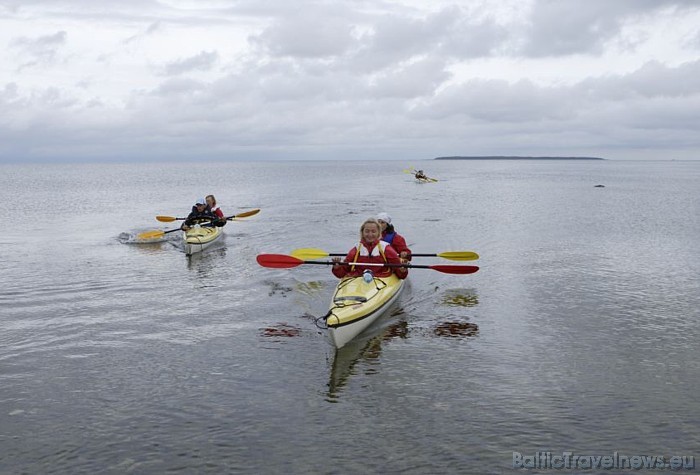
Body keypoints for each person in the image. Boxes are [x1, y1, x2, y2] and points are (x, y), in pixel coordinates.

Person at [331, 218, 408, 280]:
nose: (370, 234)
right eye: (367, 231)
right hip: (359, 280)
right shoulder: (356, 249)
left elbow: (401, 275)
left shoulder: (386, 249)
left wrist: (402, 270)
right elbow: (341, 274)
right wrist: (337, 267)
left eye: (373, 231)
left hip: (382, 279)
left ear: (378, 233)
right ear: (362, 233)